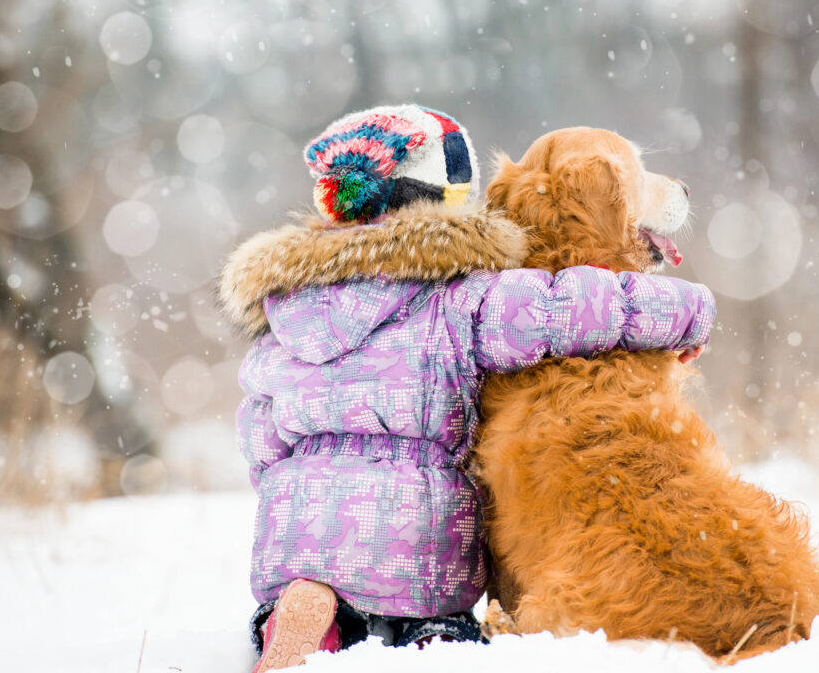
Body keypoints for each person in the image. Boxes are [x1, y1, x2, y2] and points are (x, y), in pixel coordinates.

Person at [217, 105, 715, 672]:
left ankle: (306, 614)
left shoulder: (285, 315)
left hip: (298, 527)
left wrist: (292, 489)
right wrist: (688, 311)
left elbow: (259, 435)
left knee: (300, 589)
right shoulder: (461, 297)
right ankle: (437, 641)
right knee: (443, 624)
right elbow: (569, 310)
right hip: (420, 531)